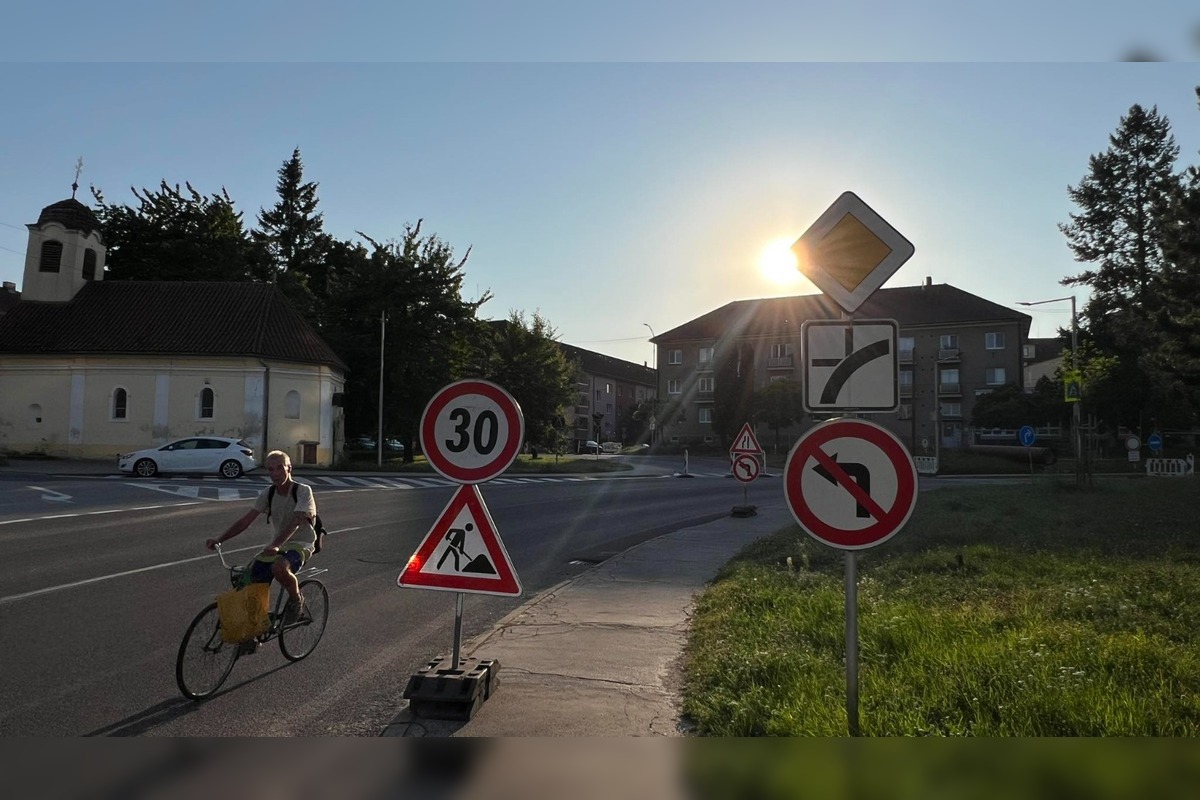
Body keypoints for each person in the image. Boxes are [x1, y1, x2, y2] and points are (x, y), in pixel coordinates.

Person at [206, 450, 317, 625]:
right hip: (276, 545)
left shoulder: (302, 491)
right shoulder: (268, 493)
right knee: (248, 579)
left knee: (279, 568)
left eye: (279, 468)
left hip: (301, 543)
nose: (275, 474)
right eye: (270, 470)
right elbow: (245, 521)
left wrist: (276, 545)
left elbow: (297, 521)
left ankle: (296, 601)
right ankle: (254, 630)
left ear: (289, 468)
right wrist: (220, 539)